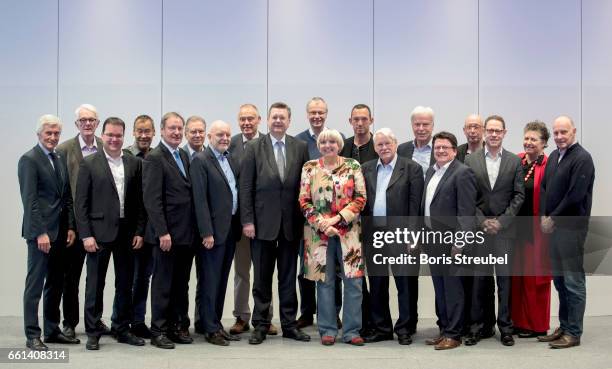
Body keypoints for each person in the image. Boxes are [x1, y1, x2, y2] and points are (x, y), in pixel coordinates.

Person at [239, 102, 310, 345]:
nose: (278, 121)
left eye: (282, 117)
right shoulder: (254, 147)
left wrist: (305, 224)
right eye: (274, 117)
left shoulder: (300, 147)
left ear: (289, 121)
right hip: (261, 225)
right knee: (261, 279)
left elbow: (305, 188)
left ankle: (289, 325)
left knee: (288, 278)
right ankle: (260, 325)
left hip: (291, 225)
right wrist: (247, 220)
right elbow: (245, 187)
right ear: (267, 120)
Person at [74, 117, 146, 350]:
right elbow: (81, 204)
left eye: (118, 135)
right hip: (98, 234)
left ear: (124, 137)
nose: (114, 139)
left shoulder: (134, 163)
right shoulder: (89, 163)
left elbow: (139, 203)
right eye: (110, 135)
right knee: (95, 284)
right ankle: (93, 331)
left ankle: (121, 328)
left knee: (125, 284)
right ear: (102, 135)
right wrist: (86, 235)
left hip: (127, 234)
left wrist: (139, 231)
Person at [299, 129, 367, 346]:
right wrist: (322, 224)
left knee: (353, 282)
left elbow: (360, 198)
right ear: (319, 146)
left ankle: (351, 331)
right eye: (324, 142)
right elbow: (304, 201)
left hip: (349, 233)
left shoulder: (352, 166)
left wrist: (337, 219)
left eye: (332, 142)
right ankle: (327, 330)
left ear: (339, 145)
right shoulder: (310, 167)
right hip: (319, 235)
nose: (328, 145)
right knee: (325, 282)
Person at [18, 114, 78, 350]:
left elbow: (66, 196)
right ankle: (33, 334)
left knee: (55, 283)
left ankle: (52, 330)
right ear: (39, 134)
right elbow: (30, 201)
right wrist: (40, 233)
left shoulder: (59, 157)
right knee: (35, 285)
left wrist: (71, 226)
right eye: (48, 133)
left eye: (56, 133)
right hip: (41, 235)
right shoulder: (29, 160)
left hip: (61, 232)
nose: (53, 137)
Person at [464, 115, 524, 347]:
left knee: (504, 281)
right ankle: (477, 328)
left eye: (498, 130)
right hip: (480, 231)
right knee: (479, 280)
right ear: (484, 132)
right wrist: (482, 222)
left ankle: (506, 328)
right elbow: (468, 197)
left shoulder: (513, 161)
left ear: (504, 133)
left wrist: (502, 221)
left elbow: (519, 195)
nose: (494, 134)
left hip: (504, 231)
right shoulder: (471, 161)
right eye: (490, 130)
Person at [361, 128, 424, 345]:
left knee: (404, 283)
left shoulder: (411, 168)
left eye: (388, 143)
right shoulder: (366, 168)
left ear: (396, 144)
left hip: (401, 234)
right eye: (380, 144)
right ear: (375, 147)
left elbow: (415, 207)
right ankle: (382, 328)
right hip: (374, 234)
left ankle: (405, 327)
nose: (384, 147)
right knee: (377, 283)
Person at [538, 115, 595, 349]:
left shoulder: (582, 158)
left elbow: (576, 196)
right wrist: (543, 215)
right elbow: (544, 189)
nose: (560, 137)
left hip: (571, 229)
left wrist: (553, 218)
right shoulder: (553, 156)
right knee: (560, 282)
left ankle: (574, 332)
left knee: (573, 281)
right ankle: (563, 326)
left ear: (573, 131)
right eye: (556, 133)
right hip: (553, 229)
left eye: (564, 132)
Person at [143, 112, 196, 349]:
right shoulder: (155, 157)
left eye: (179, 128)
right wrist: (162, 232)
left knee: (180, 284)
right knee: (163, 284)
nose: (176, 132)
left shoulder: (182, 154)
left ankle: (176, 327)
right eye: (172, 128)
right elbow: (152, 200)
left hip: (185, 234)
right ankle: (159, 331)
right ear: (162, 130)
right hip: (166, 235)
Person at [56, 104, 109, 338]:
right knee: (71, 277)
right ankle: (69, 322)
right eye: (83, 120)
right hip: (74, 227)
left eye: (92, 120)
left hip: (101, 224)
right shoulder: (64, 149)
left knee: (97, 279)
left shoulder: (107, 147)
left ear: (98, 123)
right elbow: (63, 192)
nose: (87, 124)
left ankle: (95, 321)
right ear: (76, 124)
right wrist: (69, 225)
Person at [422, 131, 477, 350]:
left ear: (455, 150)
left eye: (445, 147)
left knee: (453, 288)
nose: (441, 151)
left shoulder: (463, 173)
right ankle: (444, 329)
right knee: (440, 288)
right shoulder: (431, 171)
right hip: (432, 238)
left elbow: (466, 213)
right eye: (437, 147)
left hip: (452, 242)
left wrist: (460, 242)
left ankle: (454, 334)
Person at [227, 104, 278, 336]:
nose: (246, 123)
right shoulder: (231, 144)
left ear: (259, 120)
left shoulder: (271, 143)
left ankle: (266, 317)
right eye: (242, 119)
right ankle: (241, 316)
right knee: (242, 270)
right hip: (241, 221)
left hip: (266, 221)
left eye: (250, 118)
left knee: (265, 271)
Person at [190, 120, 242, 346]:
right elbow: (199, 200)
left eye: (228, 134)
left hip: (229, 230)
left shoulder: (229, 158)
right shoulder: (201, 161)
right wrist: (206, 232)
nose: (224, 138)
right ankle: (210, 328)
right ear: (209, 136)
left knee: (220, 280)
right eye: (220, 134)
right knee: (210, 280)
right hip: (212, 233)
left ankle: (212, 323)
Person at [295, 97, 343, 329]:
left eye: (321, 112)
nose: (317, 116)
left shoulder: (336, 137)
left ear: (326, 113)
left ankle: (334, 312)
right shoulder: (298, 141)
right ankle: (307, 312)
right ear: (307, 114)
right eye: (313, 112)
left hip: (336, 222)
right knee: (308, 268)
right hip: (310, 219)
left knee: (334, 270)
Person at [510, 121, 552, 338]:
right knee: (516, 278)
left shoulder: (549, 165)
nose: (528, 142)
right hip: (515, 229)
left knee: (536, 279)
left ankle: (536, 325)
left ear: (544, 143)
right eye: (526, 138)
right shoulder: (516, 160)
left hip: (537, 231)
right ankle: (518, 321)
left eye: (534, 139)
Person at [339, 103, 377, 336]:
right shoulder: (342, 148)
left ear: (371, 120)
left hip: (373, 221)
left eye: (364, 119)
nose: (360, 123)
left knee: (375, 275)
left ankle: (375, 321)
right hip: (348, 224)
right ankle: (359, 320)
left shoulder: (379, 145)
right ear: (350, 121)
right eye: (356, 119)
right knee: (354, 275)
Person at [121, 114, 156, 338]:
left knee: (144, 278)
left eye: (147, 131)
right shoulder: (123, 156)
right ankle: (122, 323)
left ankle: (138, 321)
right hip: (130, 230)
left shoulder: (156, 156)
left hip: (152, 230)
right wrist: (136, 230)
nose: (144, 135)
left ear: (154, 133)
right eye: (140, 131)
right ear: (134, 132)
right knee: (127, 279)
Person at [397, 106, 435, 175]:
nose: (421, 128)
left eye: (425, 124)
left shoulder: (441, 149)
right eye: (417, 124)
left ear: (432, 126)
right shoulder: (402, 150)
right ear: (412, 125)